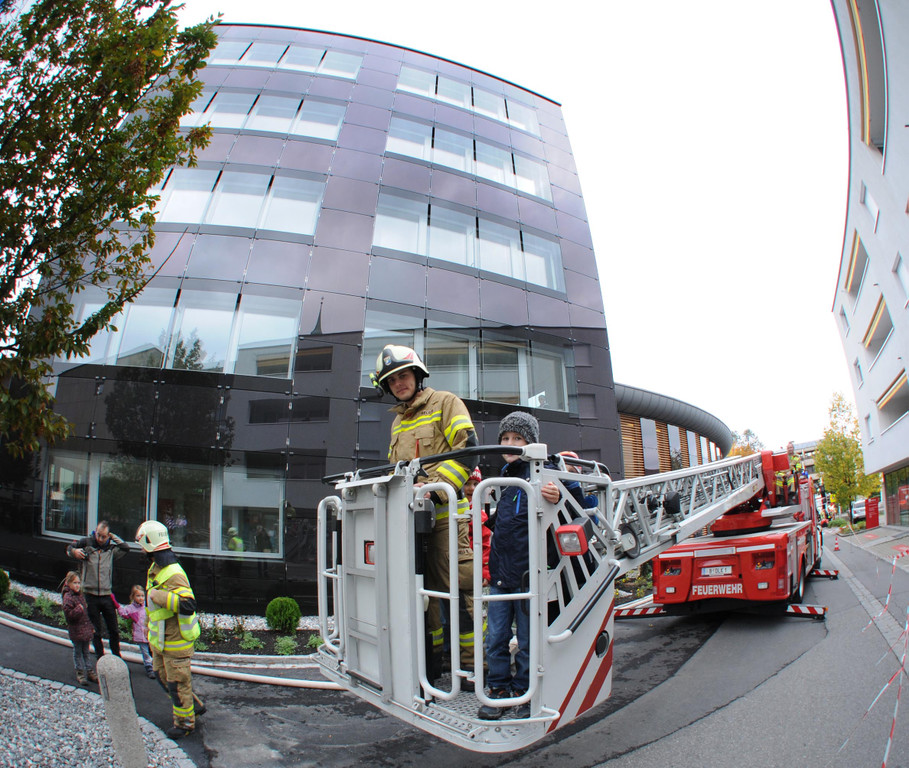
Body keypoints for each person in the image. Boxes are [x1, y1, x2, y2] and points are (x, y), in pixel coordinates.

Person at [371, 344, 478, 682]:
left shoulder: (445, 402)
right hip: (413, 525)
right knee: (423, 599)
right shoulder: (397, 423)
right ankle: (431, 669)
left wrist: (433, 488)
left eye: (403, 375)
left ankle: (475, 669)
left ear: (417, 375)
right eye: (391, 380)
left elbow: (468, 450)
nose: (398, 383)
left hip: (446, 522)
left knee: (459, 593)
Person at [479, 411, 584, 720]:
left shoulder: (546, 471)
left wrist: (560, 495)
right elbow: (503, 525)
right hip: (501, 575)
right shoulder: (505, 477)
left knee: (527, 639)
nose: (510, 444)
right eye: (505, 438)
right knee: (495, 637)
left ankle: (524, 691)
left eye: (518, 438)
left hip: (529, 575)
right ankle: (498, 689)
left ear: (532, 442)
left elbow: (582, 504)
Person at [135, 519, 204, 740]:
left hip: (175, 641)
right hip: (160, 640)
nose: (140, 550)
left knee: (177, 684)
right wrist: (147, 628)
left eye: (142, 545)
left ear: (150, 544)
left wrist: (161, 596)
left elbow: (188, 604)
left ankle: (184, 724)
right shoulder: (156, 568)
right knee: (162, 676)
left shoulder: (174, 572)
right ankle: (193, 706)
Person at [66, 520, 129, 660]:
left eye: (104, 536)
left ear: (108, 535)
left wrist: (113, 537)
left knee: (113, 629)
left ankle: (117, 657)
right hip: (90, 595)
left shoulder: (111, 550)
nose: (100, 539)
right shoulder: (86, 543)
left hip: (106, 595)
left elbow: (125, 548)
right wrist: (74, 552)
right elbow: (69, 549)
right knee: (96, 630)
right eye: (98, 535)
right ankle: (100, 658)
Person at [61, 571, 95, 685]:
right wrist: (78, 610)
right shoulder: (68, 598)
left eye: (78, 583)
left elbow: (86, 615)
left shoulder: (80, 596)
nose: (77, 585)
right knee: (78, 652)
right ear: (69, 583)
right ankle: (80, 673)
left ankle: (89, 671)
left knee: (86, 651)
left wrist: (90, 627)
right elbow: (69, 616)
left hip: (85, 630)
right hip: (76, 630)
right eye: (75, 583)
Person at [117, 584, 156, 679]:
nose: (141, 598)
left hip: (150, 634)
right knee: (145, 652)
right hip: (140, 635)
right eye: (138, 596)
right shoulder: (131, 608)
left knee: (153, 651)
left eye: (142, 596)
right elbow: (123, 612)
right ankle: (149, 667)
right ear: (133, 597)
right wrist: (117, 606)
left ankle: (154, 665)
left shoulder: (147, 606)